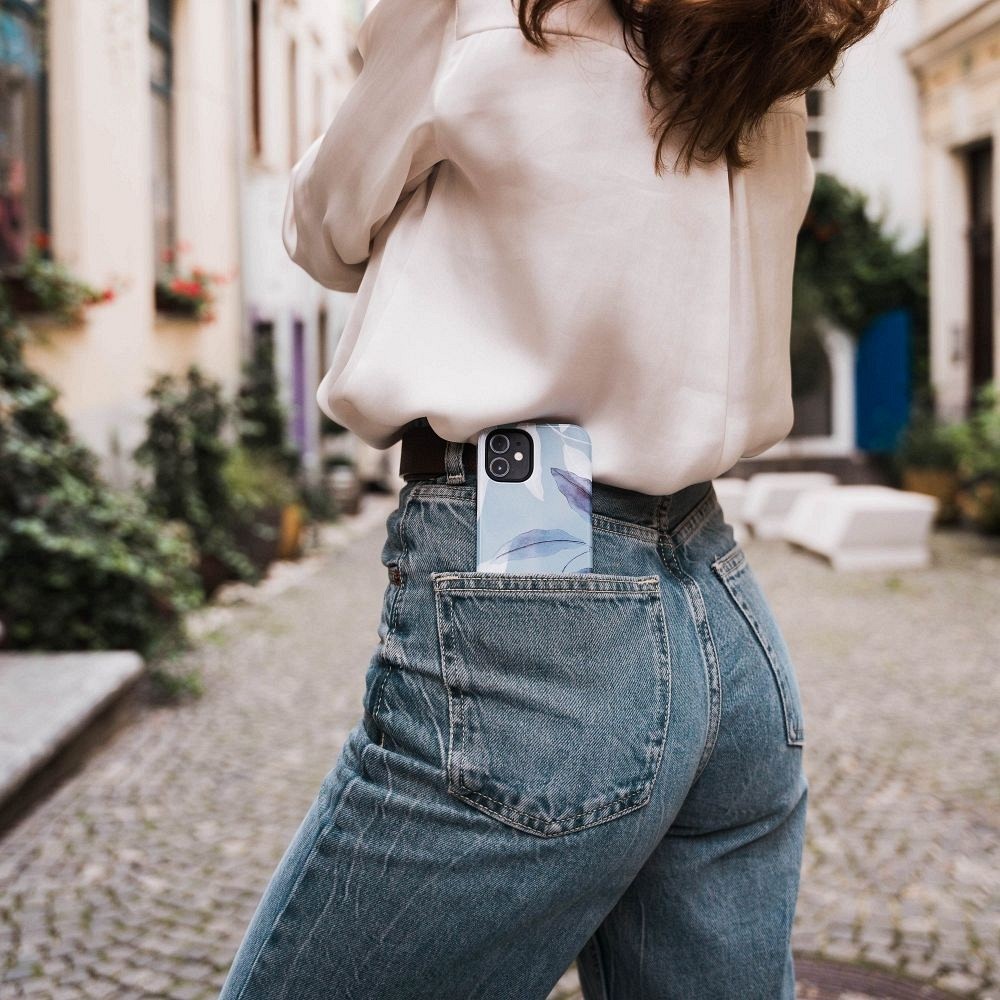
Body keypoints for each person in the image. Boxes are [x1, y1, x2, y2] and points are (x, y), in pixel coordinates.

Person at [217, 0, 890, 997]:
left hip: (536, 575)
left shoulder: (479, 10)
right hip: (714, 595)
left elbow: (325, 230)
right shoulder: (774, 37)